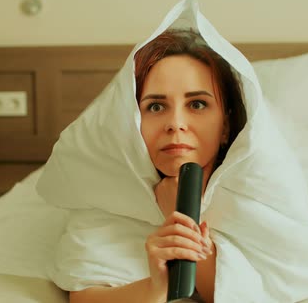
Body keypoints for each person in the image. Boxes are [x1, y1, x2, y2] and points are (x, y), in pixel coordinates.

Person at [69, 29, 247, 303]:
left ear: (225, 126)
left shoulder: (254, 200)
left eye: (197, 104)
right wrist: (156, 285)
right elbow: (85, 299)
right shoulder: (103, 202)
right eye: (155, 107)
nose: (175, 123)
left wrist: (182, 216)